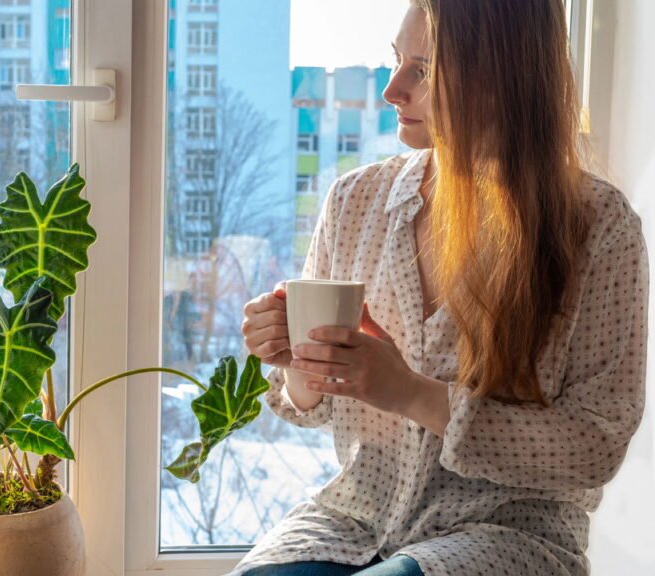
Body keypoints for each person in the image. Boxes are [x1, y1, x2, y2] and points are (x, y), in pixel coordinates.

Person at [234, 1, 649, 575]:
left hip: (505, 534)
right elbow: (311, 407)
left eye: (423, 70)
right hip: (353, 521)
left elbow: (594, 446)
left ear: (504, 75)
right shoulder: (354, 202)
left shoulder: (597, 225)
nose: (391, 90)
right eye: (395, 60)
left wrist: (410, 392)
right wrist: (297, 358)